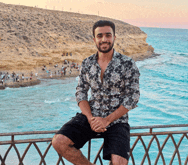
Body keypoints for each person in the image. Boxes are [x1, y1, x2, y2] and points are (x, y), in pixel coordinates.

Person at [52, 20, 140, 165]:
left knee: (119, 163)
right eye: (100, 36)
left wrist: (107, 120)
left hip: (117, 120)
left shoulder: (127, 63)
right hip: (91, 117)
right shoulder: (87, 63)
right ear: (94, 39)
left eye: (108, 35)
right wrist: (91, 118)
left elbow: (133, 97)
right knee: (59, 142)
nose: (104, 39)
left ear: (114, 37)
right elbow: (81, 92)